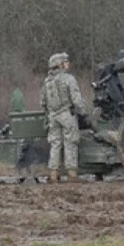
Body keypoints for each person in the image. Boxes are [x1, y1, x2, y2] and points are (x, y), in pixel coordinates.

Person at [41, 52, 88, 183]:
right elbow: (76, 100)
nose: (68, 64)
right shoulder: (68, 79)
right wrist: (83, 112)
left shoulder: (47, 81)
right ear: (60, 65)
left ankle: (53, 174)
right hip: (67, 114)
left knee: (55, 144)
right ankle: (72, 174)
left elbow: (43, 102)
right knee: (71, 142)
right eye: (65, 62)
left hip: (53, 116)